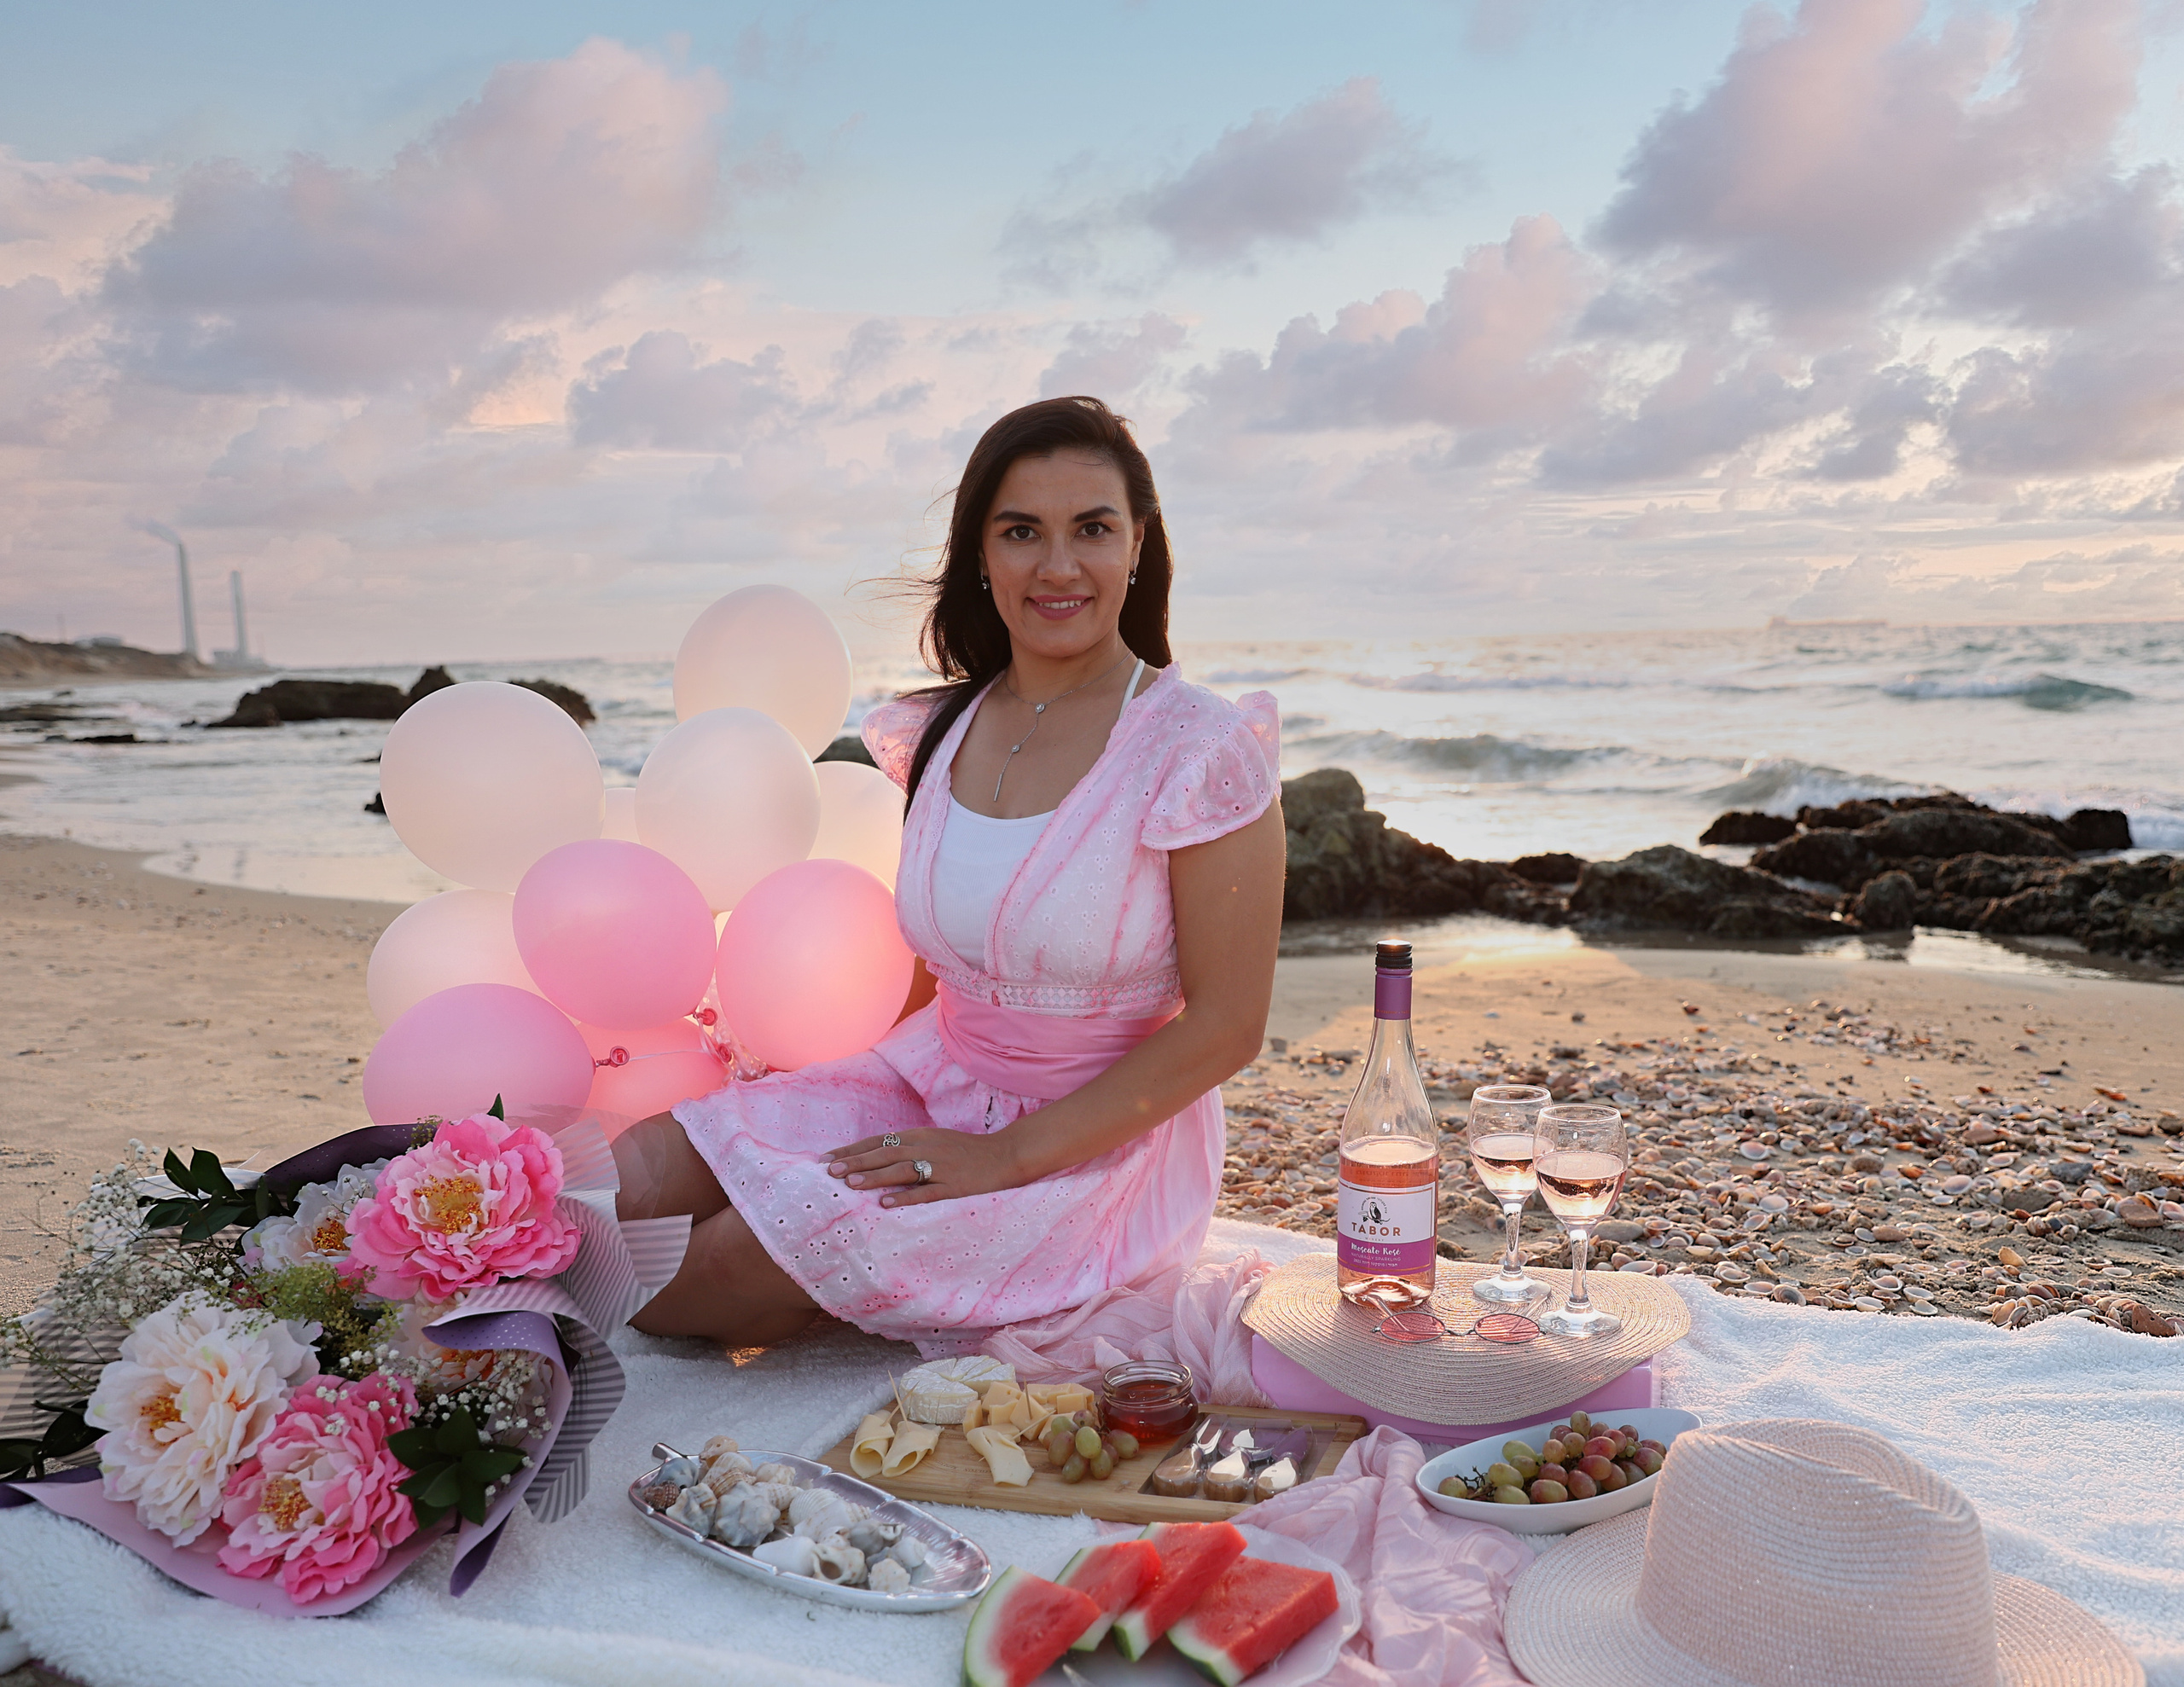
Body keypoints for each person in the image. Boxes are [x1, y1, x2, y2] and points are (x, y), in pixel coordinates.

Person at [613, 395, 1284, 1351]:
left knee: (718, 1267)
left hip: (1098, 1154)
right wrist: (809, 1106)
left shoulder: (1200, 749)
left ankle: (841, 1284)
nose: (1058, 566)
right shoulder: (940, 730)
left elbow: (1227, 1027)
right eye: (1022, 532)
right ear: (981, 553)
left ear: (1138, 544)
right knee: (631, 1172)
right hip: (937, 1077)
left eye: (1091, 528)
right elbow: (941, 961)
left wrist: (1001, 1159)